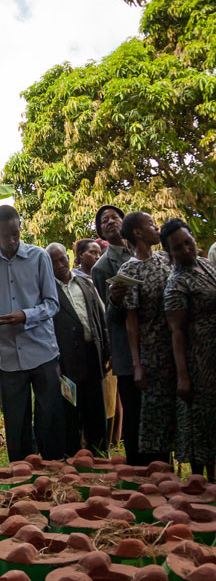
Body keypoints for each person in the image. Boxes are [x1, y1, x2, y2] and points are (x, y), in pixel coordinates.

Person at [0, 206, 65, 461]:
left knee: (49, 419)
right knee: (16, 424)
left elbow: (52, 304)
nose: (12, 240)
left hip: (42, 351)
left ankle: (52, 470)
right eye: (5, 235)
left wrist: (25, 315)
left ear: (20, 227)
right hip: (8, 357)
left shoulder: (39, 257)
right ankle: (20, 474)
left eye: (15, 234)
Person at [115, 211, 176, 465]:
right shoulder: (129, 270)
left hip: (175, 346)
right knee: (155, 416)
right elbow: (131, 321)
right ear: (138, 233)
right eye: (151, 224)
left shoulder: (165, 259)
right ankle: (157, 471)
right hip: (152, 351)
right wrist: (137, 364)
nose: (156, 227)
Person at [164, 219, 216, 478]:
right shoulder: (176, 283)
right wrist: (183, 376)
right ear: (169, 252)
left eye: (188, 242)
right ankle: (200, 482)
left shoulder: (206, 265)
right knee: (200, 422)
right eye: (178, 247)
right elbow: (177, 332)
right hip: (198, 361)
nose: (186, 249)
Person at [90, 205, 142, 461]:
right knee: (132, 409)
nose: (110, 222)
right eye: (104, 220)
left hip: (156, 343)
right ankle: (136, 466)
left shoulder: (145, 253)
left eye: (114, 217)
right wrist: (115, 300)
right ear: (101, 231)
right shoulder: (101, 268)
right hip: (125, 349)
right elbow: (106, 317)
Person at [47, 242, 110, 454]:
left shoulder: (86, 283)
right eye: (53, 262)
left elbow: (100, 317)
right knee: (70, 412)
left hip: (92, 355)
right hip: (66, 361)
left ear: (69, 257)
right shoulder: (47, 291)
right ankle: (73, 458)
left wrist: (107, 349)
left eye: (62, 259)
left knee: (96, 409)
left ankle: (100, 454)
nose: (59, 265)